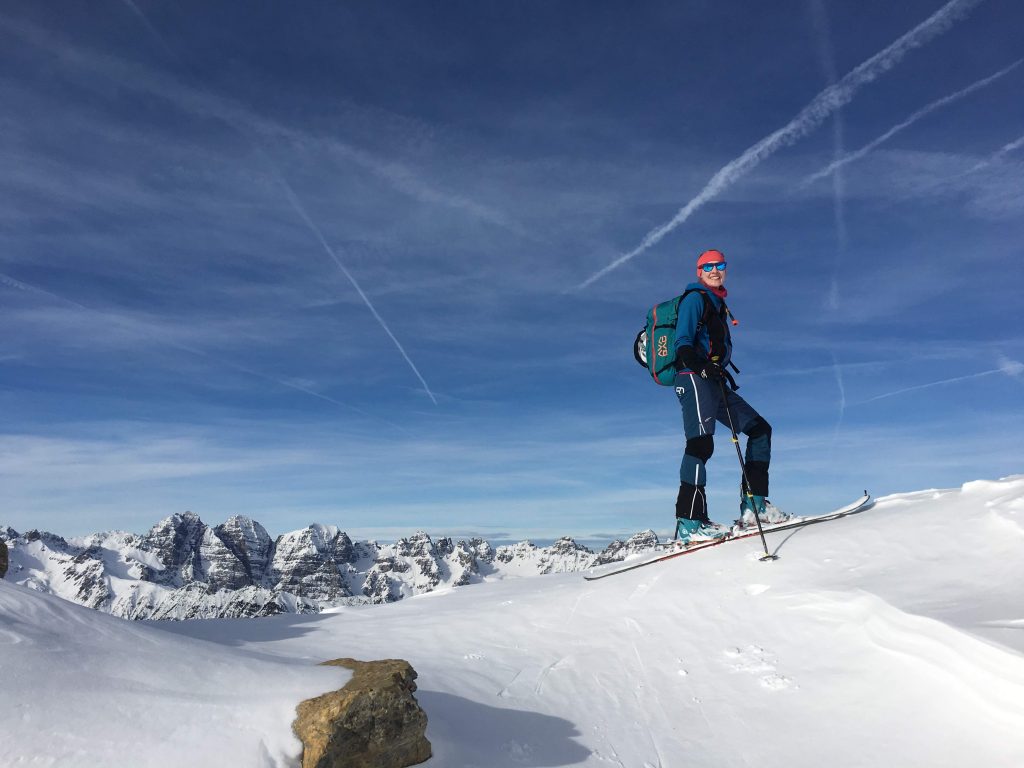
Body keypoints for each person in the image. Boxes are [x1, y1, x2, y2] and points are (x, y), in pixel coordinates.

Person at [671, 248, 782, 542]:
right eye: (708, 266)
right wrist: (702, 367)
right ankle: (690, 523)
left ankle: (755, 507)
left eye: (719, 265)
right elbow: (682, 343)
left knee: (760, 429)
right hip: (693, 376)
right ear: (699, 272)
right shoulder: (695, 299)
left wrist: (713, 369)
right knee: (700, 443)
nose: (714, 271)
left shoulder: (718, 304)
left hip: (714, 379)